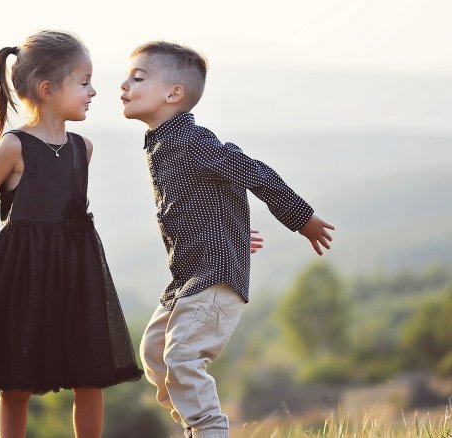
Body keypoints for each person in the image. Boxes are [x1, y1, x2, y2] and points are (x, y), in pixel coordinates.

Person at [120, 41, 335, 438]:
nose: (123, 85)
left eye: (137, 77)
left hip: (214, 278)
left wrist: (300, 217)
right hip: (188, 278)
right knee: (155, 356)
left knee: (182, 357)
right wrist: (229, 232)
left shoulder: (193, 140)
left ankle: (208, 429)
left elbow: (252, 173)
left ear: (173, 94)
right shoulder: (162, 143)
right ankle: (197, 426)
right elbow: (198, 202)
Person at [0, 30, 142, 438]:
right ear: (48, 89)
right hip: (22, 273)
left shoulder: (81, 148)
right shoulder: (13, 147)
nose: (93, 91)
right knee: (16, 382)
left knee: (90, 375)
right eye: (84, 82)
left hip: (75, 273)